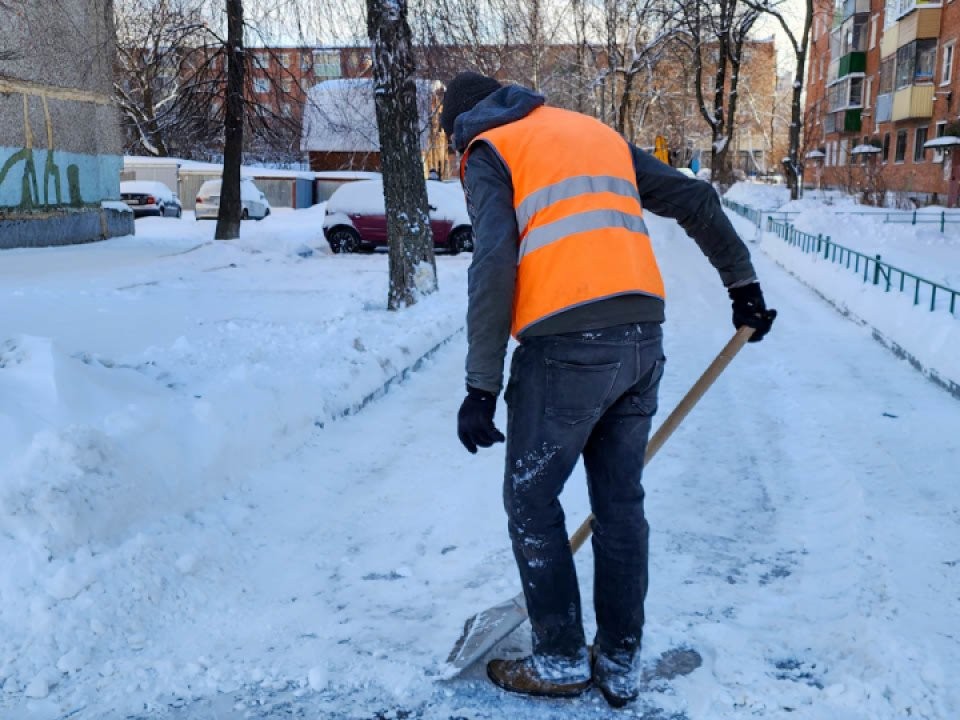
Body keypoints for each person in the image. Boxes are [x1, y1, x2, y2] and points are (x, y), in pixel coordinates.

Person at [442, 71, 776, 708]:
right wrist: (743, 286)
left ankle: (562, 659)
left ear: (464, 124)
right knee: (620, 506)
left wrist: (480, 385)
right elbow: (696, 198)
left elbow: (493, 263)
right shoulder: (592, 133)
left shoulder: (488, 151)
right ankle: (620, 663)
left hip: (566, 349)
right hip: (641, 339)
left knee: (532, 502)